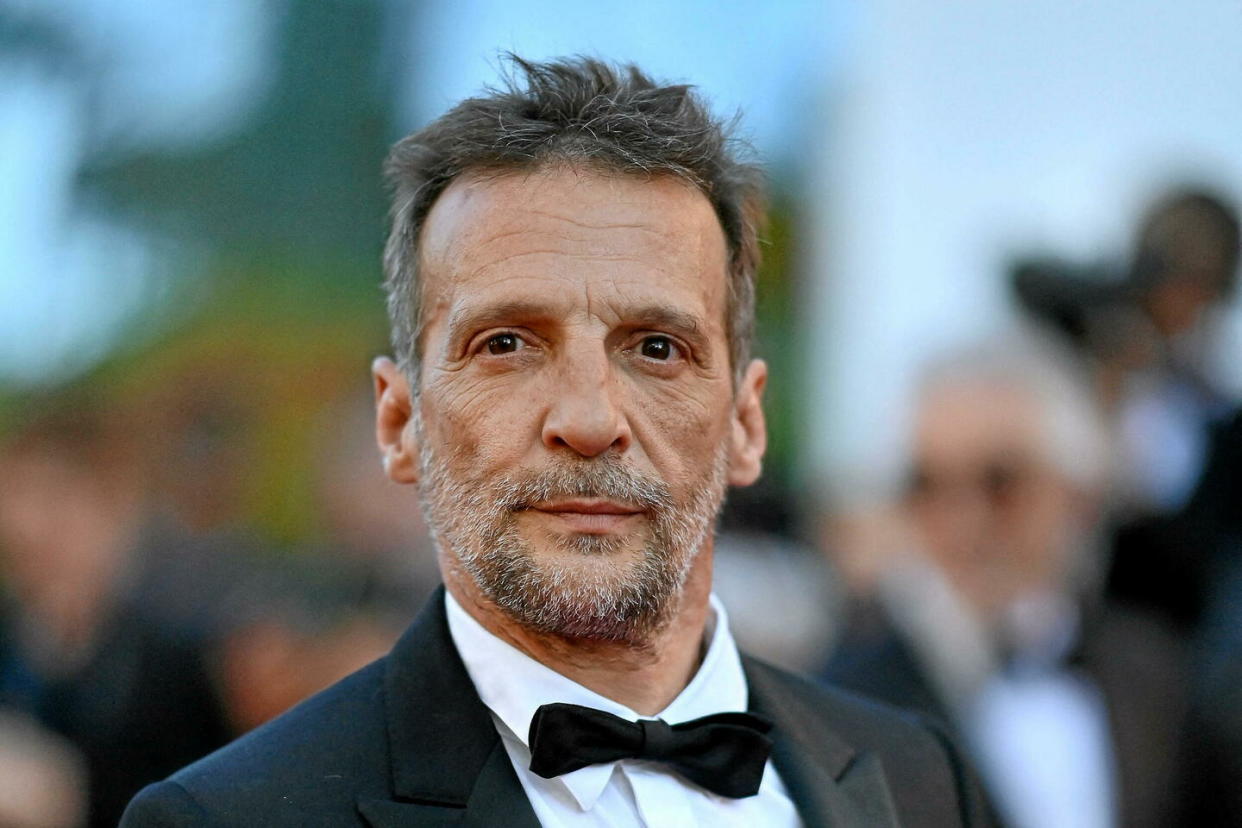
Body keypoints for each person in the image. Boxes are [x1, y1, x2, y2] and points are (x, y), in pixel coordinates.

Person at [122, 56, 990, 827]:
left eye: (658, 348)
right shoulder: (231, 817)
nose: (588, 419)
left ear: (746, 422)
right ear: (400, 424)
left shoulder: (922, 781)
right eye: (506, 344)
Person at [821, 334, 1188, 828]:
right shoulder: (838, 705)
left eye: (1000, 483)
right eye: (926, 486)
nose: (960, 523)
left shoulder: (1153, 674)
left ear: (1079, 494)